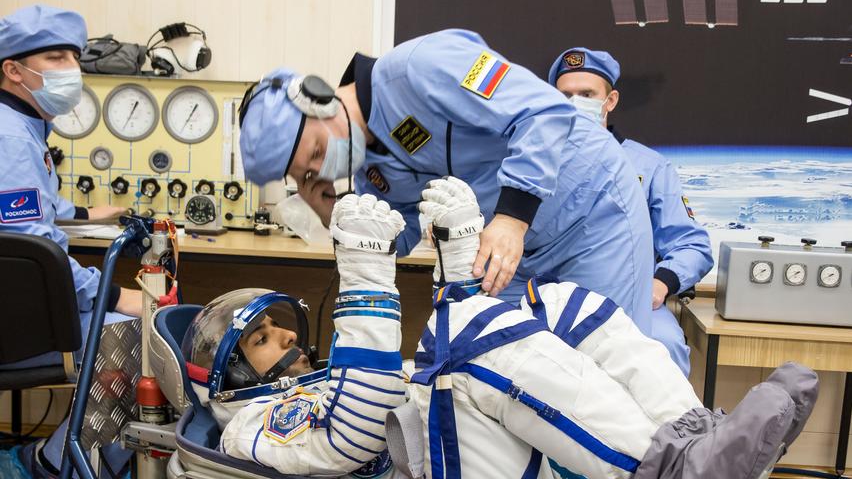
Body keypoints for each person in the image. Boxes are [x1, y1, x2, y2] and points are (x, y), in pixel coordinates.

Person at [408, 178, 816, 479]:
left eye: (586, 94)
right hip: (450, 359)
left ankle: (693, 441)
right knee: (471, 334)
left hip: (526, 300)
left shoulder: (621, 165)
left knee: (560, 301)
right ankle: (669, 477)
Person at [236, 30, 656, 333]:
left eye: (314, 152)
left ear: (318, 97)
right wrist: (327, 206)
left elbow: (544, 112)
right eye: (308, 172)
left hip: (591, 211)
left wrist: (511, 221)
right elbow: (396, 244)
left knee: (609, 359)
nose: (324, 168)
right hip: (516, 248)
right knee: (509, 368)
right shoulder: (369, 168)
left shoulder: (423, 67)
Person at [0, 4, 142, 479]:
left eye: (74, 58)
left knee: (138, 335)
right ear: (14, 69)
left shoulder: (20, 125)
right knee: (140, 340)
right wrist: (112, 295)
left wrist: (80, 214)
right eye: (54, 56)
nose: (70, 69)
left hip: (17, 307)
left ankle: (86, 471)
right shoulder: (11, 137)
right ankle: (55, 471)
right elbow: (35, 254)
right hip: (19, 321)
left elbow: (27, 208)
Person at [183, 193, 408, 479]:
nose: (290, 335)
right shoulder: (247, 428)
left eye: (277, 326)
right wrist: (366, 278)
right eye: (261, 339)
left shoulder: (309, 391)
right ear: (236, 375)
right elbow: (354, 427)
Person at [547, 46, 713, 375]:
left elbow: (692, 245)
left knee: (664, 347)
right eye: (565, 95)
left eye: (586, 94)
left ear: (610, 101)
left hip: (629, 302)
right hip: (550, 299)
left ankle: (668, 428)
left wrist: (660, 283)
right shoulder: (534, 162)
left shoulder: (649, 167)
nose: (575, 103)